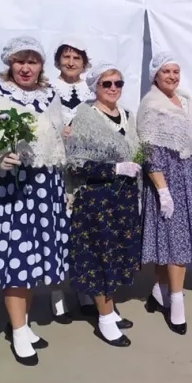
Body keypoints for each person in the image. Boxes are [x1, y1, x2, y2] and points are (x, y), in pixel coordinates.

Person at [0, 36, 69, 366]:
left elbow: (56, 140)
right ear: (10, 64)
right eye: (20, 61)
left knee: (33, 261)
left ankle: (22, 323)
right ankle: (18, 330)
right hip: (14, 189)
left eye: (32, 61)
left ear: (41, 65)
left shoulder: (50, 96)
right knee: (16, 258)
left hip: (46, 188)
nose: (26, 68)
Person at [138, 51, 192, 335]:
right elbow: (148, 151)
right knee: (176, 245)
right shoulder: (151, 105)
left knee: (169, 243)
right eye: (166, 71)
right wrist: (163, 191)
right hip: (168, 181)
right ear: (155, 75)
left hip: (191, 181)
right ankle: (176, 302)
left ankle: (158, 291)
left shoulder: (185, 100)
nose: (172, 76)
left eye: (175, 71)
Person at [65, 63, 143, 347]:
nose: (113, 88)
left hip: (123, 201)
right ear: (95, 86)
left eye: (118, 83)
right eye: (106, 83)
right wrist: (113, 169)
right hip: (96, 201)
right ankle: (105, 319)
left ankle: (108, 309)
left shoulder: (127, 115)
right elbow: (74, 164)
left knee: (117, 256)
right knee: (100, 259)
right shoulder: (84, 117)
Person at [52, 39, 95, 322]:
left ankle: (84, 289)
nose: (70, 62)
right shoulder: (47, 89)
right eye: (66, 57)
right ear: (58, 61)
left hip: (84, 171)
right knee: (58, 230)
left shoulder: (92, 90)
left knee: (84, 230)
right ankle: (56, 295)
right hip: (56, 168)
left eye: (76, 58)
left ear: (84, 63)